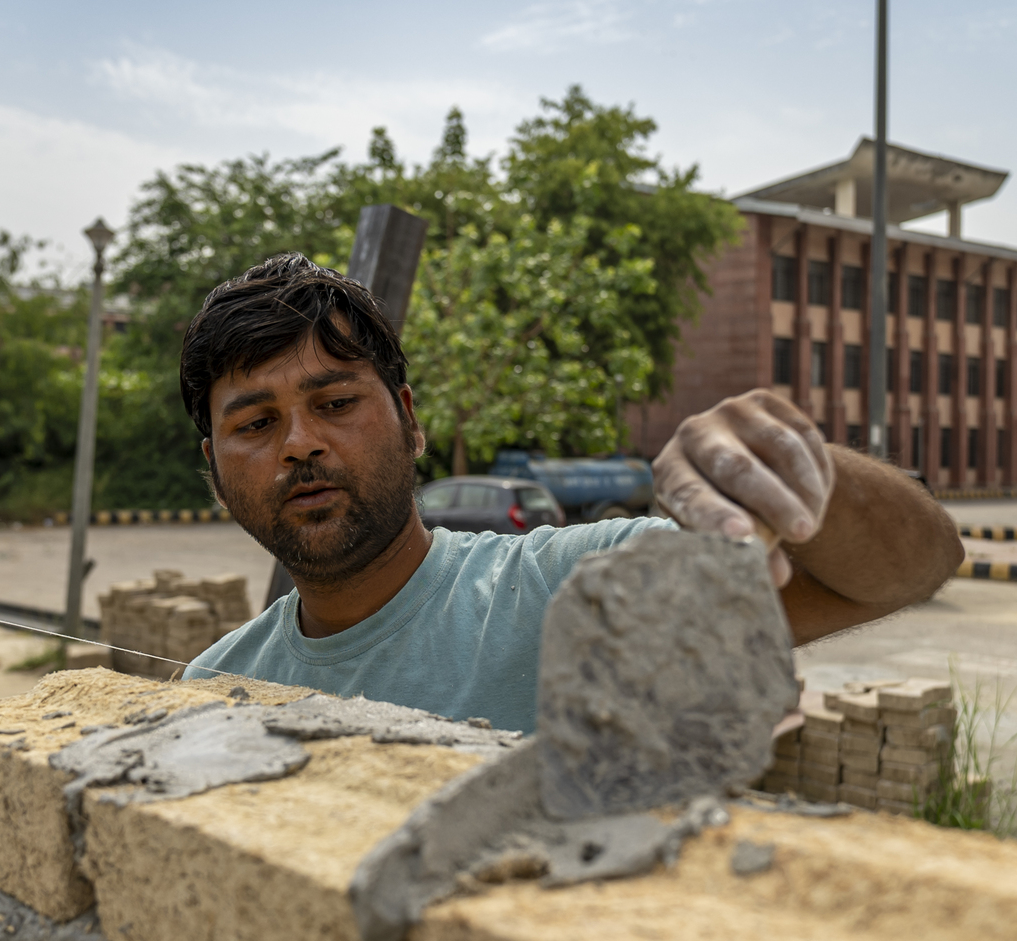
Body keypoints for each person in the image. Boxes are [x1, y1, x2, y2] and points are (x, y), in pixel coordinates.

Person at [184, 254, 963, 733]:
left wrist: (796, 463)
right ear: (216, 470)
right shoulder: (208, 692)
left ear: (410, 420)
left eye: (335, 402)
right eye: (256, 423)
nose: (300, 443)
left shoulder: (571, 590)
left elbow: (918, 565)